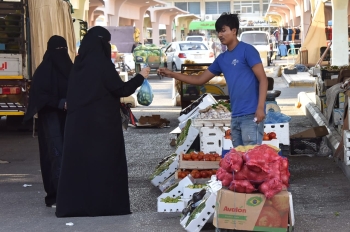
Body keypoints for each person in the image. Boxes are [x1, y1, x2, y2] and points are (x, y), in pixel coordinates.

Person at [55, 26, 150, 217]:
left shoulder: (78, 65)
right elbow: (121, 90)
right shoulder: (103, 65)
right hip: (102, 126)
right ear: (101, 43)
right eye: (106, 42)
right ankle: (106, 206)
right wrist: (140, 77)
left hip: (78, 126)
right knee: (104, 165)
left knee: (81, 166)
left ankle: (76, 207)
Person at [158, 13, 268, 147]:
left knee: (253, 160)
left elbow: (263, 80)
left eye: (223, 30)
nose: (220, 35)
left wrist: (260, 108)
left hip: (252, 114)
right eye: (218, 32)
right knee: (239, 160)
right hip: (236, 115)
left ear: (234, 31)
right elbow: (199, 79)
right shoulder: (222, 59)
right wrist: (172, 74)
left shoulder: (248, 50)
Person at [23, 35, 73, 207]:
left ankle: (70, 193)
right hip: (50, 118)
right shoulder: (43, 72)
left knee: (69, 154)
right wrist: (59, 102)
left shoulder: (70, 69)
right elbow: (39, 96)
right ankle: (55, 194)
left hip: (69, 118)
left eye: (63, 50)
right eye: (58, 50)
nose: (61, 54)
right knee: (54, 153)